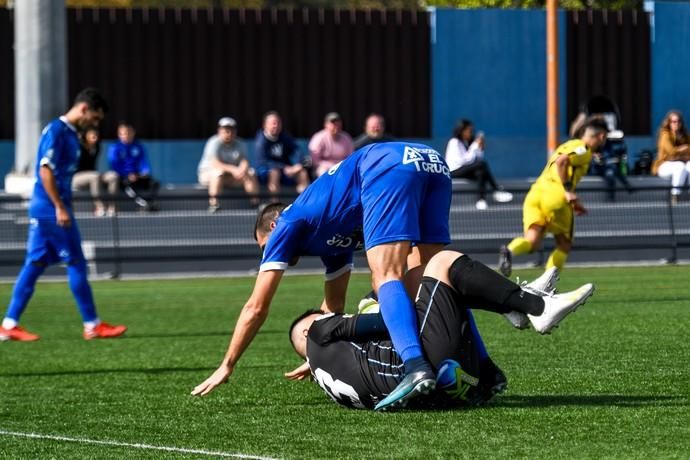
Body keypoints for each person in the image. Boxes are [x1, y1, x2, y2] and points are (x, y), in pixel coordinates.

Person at [191, 142, 453, 411]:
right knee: (430, 271)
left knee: (386, 276)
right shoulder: (332, 236)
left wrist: (227, 365)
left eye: (264, 247)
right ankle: (480, 369)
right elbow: (334, 309)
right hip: (430, 159)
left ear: (272, 226)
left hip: (387, 163)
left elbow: (256, 308)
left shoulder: (287, 223)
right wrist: (316, 352)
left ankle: (415, 365)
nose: (265, 255)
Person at [287, 251, 594, 410]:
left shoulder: (327, 374)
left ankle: (515, 308)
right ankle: (535, 308)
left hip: (434, 393)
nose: (331, 314)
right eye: (322, 314)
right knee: (440, 263)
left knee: (436, 293)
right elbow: (387, 323)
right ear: (307, 331)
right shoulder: (317, 329)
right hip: (420, 372)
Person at [0, 88, 127, 342]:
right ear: (84, 109)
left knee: (34, 264)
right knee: (76, 262)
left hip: (47, 207)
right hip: (50, 208)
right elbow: (45, 169)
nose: (96, 123)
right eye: (95, 117)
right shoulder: (56, 131)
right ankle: (92, 325)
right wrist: (59, 206)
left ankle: (9, 325)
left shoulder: (71, 134)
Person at [498, 117, 608, 277]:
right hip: (555, 197)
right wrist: (569, 190)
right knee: (564, 245)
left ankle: (509, 251)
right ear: (601, 136)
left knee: (532, 242)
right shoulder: (583, 149)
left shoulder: (567, 145)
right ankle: (547, 286)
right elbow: (562, 161)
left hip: (535, 194)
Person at [444, 119, 513, 210]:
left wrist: (479, 148)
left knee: (480, 172)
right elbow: (463, 161)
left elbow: (477, 160)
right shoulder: (454, 142)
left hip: (464, 170)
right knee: (481, 165)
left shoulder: (467, 143)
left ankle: (481, 200)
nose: (470, 133)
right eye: (469, 130)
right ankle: (496, 190)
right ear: (461, 130)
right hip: (454, 171)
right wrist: (475, 146)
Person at [198, 117, 259, 212]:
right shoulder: (213, 142)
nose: (228, 132)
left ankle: (255, 203)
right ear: (219, 131)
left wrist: (242, 170)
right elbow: (215, 163)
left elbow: (244, 161)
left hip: (231, 176)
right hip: (208, 175)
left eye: (231, 129)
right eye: (225, 130)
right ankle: (214, 204)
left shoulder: (240, 143)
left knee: (250, 173)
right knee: (217, 172)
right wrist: (234, 169)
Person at [254, 111, 310, 197]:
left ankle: (303, 203)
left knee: (302, 172)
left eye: (278, 123)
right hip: (265, 172)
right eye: (273, 123)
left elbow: (297, 150)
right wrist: (284, 168)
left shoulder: (284, 136)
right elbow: (263, 161)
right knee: (274, 172)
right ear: (265, 125)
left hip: (285, 170)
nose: (276, 126)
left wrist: (298, 165)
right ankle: (275, 206)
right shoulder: (261, 141)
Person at [108, 121, 159, 211]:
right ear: (119, 135)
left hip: (137, 175)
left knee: (154, 183)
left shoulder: (138, 146)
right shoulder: (115, 147)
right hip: (123, 177)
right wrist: (127, 175)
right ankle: (145, 205)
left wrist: (144, 172)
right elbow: (114, 165)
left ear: (133, 133)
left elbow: (144, 162)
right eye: (123, 133)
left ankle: (150, 203)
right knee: (129, 186)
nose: (126, 136)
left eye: (129, 133)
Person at [72, 128, 119, 216]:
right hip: (76, 177)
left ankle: (112, 207)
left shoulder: (97, 147)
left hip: (93, 174)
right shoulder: (78, 147)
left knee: (113, 176)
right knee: (95, 176)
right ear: (86, 135)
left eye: (96, 135)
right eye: (92, 135)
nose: (95, 137)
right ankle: (99, 207)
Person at [652, 110, 690, 204]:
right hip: (663, 165)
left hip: (680, 162)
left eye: (678, 121)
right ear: (669, 123)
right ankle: (675, 195)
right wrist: (683, 149)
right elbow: (671, 152)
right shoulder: (665, 135)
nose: (676, 124)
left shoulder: (684, 135)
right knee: (679, 166)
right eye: (673, 121)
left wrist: (683, 153)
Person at [308, 112, 354, 178]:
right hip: (324, 168)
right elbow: (315, 160)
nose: (336, 125)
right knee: (323, 172)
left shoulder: (346, 137)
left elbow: (351, 157)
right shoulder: (319, 137)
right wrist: (331, 166)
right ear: (326, 125)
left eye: (338, 122)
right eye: (333, 123)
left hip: (342, 167)